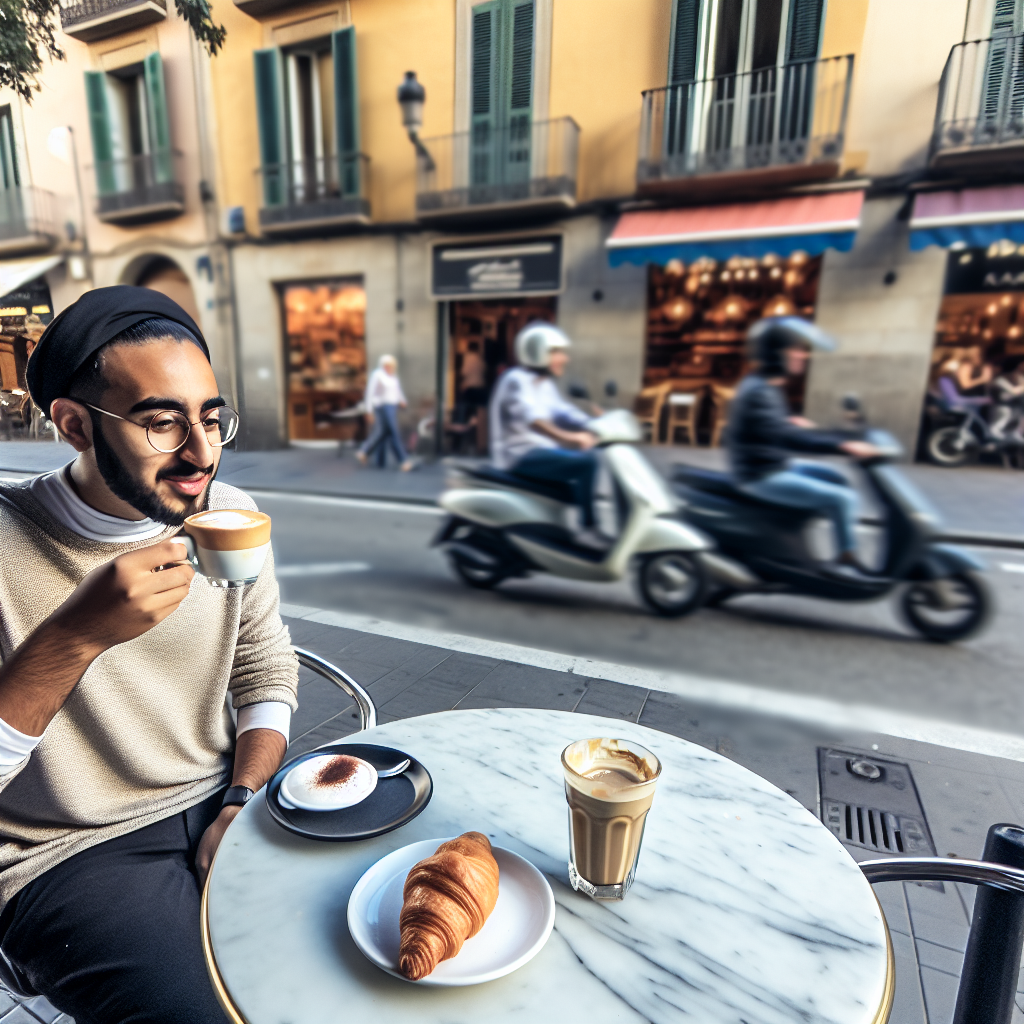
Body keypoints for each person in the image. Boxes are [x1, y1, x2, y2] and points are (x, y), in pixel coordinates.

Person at [0, 286, 298, 1024]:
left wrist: (244, 796)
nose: (201, 453)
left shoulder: (229, 511)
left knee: (357, 956)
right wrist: (75, 637)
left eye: (210, 417)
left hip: (225, 799)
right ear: (73, 425)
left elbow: (263, 665)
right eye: (163, 422)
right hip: (67, 850)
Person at [727, 317, 880, 574]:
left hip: (773, 463)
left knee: (835, 478)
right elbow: (788, 437)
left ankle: (799, 532)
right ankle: (847, 557)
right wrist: (843, 446)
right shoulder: (760, 392)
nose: (803, 355)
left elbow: (771, 426)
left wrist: (790, 421)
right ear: (776, 353)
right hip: (760, 475)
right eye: (795, 349)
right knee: (843, 498)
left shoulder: (765, 385)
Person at [489, 323, 603, 544]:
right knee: (587, 464)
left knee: (574, 486)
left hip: (538, 451)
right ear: (538, 352)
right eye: (557, 352)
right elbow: (534, 421)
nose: (564, 358)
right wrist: (572, 437)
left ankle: (553, 536)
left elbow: (563, 411)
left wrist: (595, 423)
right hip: (518, 456)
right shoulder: (516, 380)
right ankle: (588, 528)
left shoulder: (545, 384)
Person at [357, 354, 413, 471]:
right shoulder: (378, 375)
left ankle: (366, 452)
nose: (389, 367)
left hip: (392, 406)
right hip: (382, 407)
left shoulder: (393, 377)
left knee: (382, 432)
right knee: (393, 432)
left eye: (391, 365)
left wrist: (402, 400)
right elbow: (370, 393)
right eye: (387, 365)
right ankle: (403, 460)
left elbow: (397, 391)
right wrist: (369, 410)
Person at [990, 361, 1024, 440]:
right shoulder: (1000, 381)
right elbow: (1015, 392)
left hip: (1014, 408)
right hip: (1002, 406)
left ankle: (1017, 434)